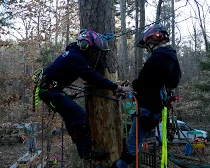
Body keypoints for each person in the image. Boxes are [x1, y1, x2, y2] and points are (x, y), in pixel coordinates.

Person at [36, 29, 131, 160]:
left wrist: (104, 39)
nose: (93, 54)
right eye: (92, 51)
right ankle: (87, 152)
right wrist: (116, 87)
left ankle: (83, 150)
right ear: (84, 46)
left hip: (51, 90)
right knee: (79, 117)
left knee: (72, 118)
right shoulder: (76, 58)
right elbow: (94, 77)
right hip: (51, 92)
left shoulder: (74, 53)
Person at [103, 24, 182, 168]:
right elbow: (172, 82)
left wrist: (129, 87)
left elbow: (143, 84)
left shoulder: (156, 59)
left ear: (152, 41)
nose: (147, 49)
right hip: (157, 111)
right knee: (135, 142)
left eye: (147, 46)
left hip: (148, 110)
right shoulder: (172, 58)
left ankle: (118, 166)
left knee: (132, 144)